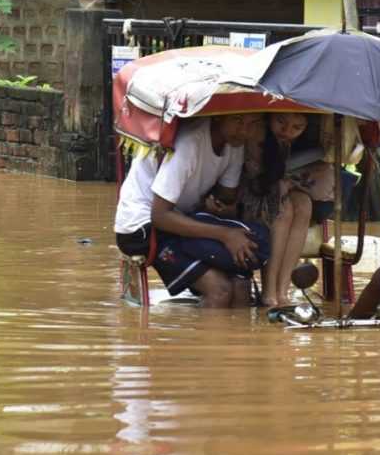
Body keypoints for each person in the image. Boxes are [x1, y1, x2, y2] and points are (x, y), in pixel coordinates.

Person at [114, 113, 265, 308]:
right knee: (220, 290)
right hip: (143, 226)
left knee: (240, 285)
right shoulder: (189, 143)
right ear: (218, 117)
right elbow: (159, 216)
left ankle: (230, 337)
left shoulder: (235, 144)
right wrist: (226, 235)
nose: (245, 131)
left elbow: (227, 197)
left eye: (252, 123)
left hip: (181, 220)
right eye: (238, 121)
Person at [239, 112, 315, 306]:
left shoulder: (297, 143)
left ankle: (283, 290)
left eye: (297, 128)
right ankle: (269, 291)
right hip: (249, 196)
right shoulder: (258, 131)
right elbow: (253, 177)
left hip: (277, 192)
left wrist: (287, 182)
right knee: (284, 209)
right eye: (281, 122)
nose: (287, 131)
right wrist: (277, 184)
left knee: (304, 204)